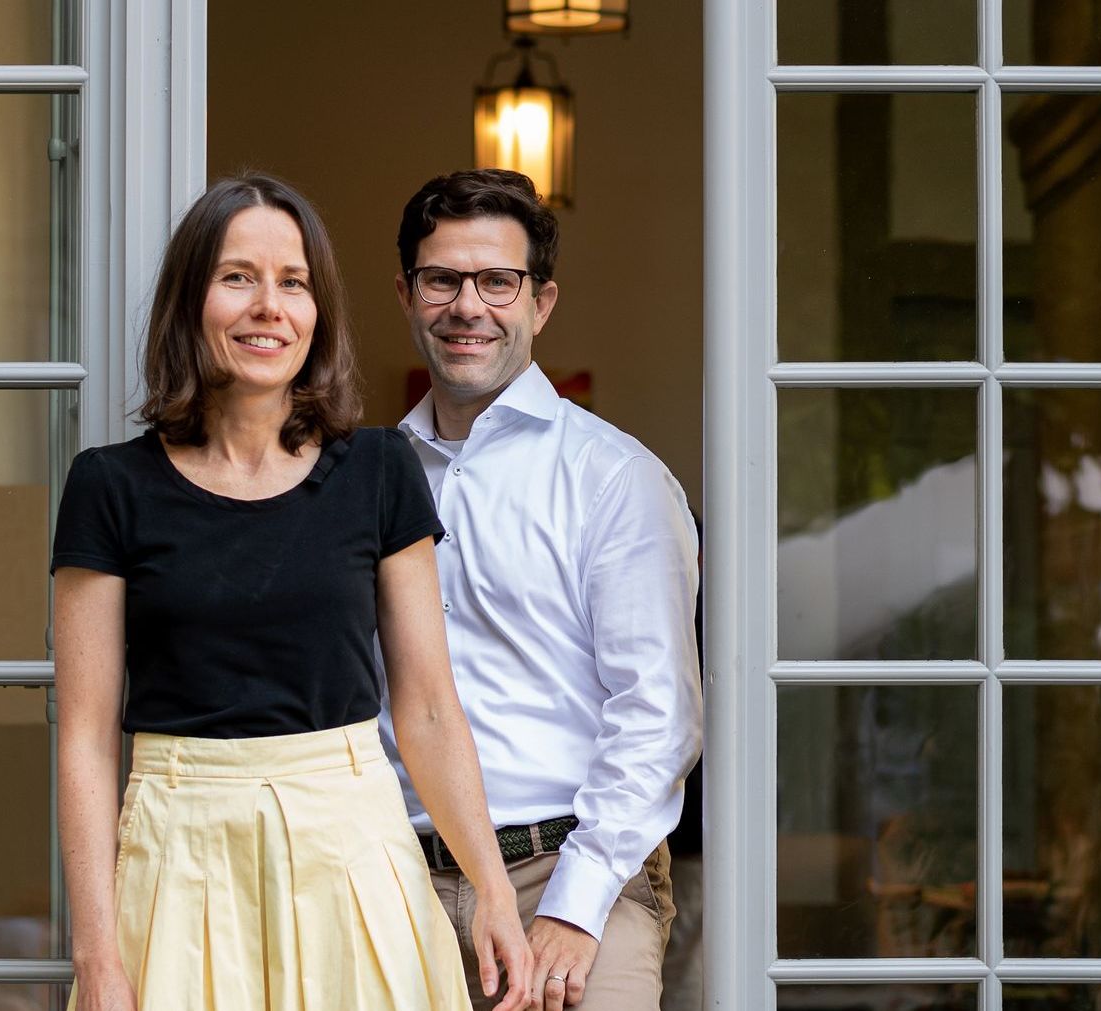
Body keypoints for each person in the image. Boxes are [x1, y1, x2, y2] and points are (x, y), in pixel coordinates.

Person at [51, 174, 532, 1011]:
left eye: (294, 283)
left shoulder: (379, 472)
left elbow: (425, 707)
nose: (269, 306)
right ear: (189, 300)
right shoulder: (109, 486)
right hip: (178, 849)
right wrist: (96, 956)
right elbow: (88, 741)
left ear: (319, 314)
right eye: (238, 277)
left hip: (349, 848)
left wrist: (492, 888)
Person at [378, 168, 703, 1011]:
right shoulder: (366, 476)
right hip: (387, 877)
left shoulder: (613, 477)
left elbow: (658, 713)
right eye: (441, 279)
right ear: (409, 294)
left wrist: (577, 902)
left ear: (541, 302)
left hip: (562, 874)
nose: (467, 306)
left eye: (497, 281)